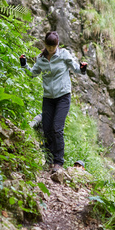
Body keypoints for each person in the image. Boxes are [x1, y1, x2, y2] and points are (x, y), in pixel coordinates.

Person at [20, 31, 87, 173]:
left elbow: (75, 68)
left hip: (63, 96)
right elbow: (32, 74)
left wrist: (82, 69)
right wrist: (24, 65)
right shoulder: (41, 59)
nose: (51, 49)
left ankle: (58, 162)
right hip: (48, 98)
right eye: (49, 46)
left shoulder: (64, 55)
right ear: (45, 44)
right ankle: (49, 160)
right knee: (47, 128)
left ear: (57, 45)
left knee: (57, 128)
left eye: (53, 47)